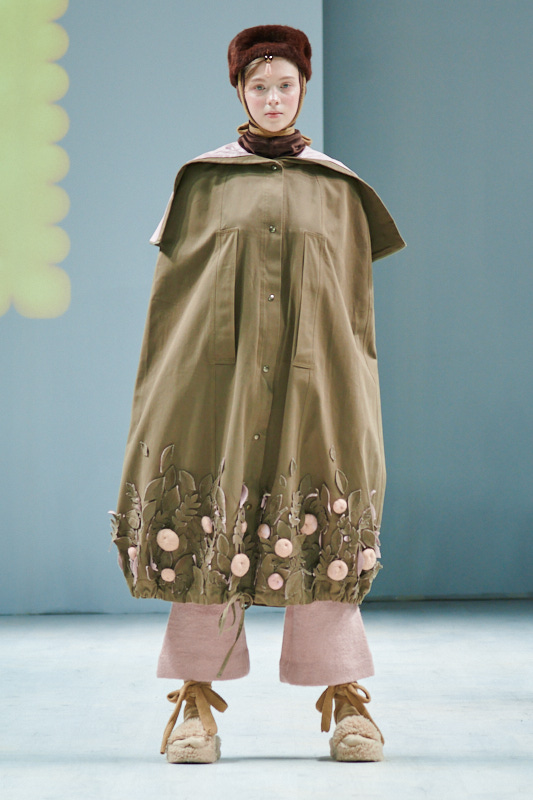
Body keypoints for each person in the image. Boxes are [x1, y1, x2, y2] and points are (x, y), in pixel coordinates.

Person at [111, 24, 405, 764]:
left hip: (317, 383)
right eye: (258, 86)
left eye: (285, 86)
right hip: (218, 383)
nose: (273, 99)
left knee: (324, 520)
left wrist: (347, 389)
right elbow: (176, 303)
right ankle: (194, 703)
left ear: (303, 89)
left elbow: (352, 308)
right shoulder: (203, 183)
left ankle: (344, 698)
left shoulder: (339, 188)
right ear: (239, 91)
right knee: (208, 512)